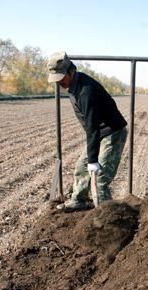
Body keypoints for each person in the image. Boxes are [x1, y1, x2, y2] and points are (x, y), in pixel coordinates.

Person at [47, 52, 127, 211]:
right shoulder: (73, 85)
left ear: (71, 71)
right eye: (57, 79)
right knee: (81, 168)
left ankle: (108, 217)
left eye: (62, 78)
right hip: (99, 133)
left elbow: (92, 127)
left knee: (101, 179)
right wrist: (90, 159)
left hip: (112, 134)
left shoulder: (86, 90)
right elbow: (92, 128)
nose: (60, 82)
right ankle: (79, 200)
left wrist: (93, 160)